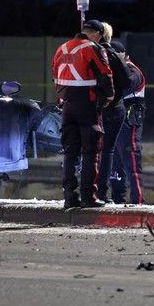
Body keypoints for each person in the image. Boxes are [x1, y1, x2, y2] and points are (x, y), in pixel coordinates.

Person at [52, 18, 114, 209]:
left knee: (70, 152)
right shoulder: (93, 48)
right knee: (91, 151)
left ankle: (69, 196)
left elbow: (55, 75)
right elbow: (106, 74)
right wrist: (107, 97)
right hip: (87, 105)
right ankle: (89, 196)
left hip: (67, 105)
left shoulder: (61, 48)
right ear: (96, 33)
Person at [96, 22, 136, 203]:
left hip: (91, 108)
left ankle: (88, 192)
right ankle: (101, 193)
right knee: (107, 152)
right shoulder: (112, 55)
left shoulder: (83, 51)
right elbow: (126, 81)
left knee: (91, 151)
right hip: (113, 109)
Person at [110, 40, 146, 204]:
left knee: (131, 161)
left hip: (129, 123)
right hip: (117, 121)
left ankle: (137, 201)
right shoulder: (118, 70)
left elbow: (127, 84)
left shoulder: (133, 70)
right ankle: (118, 199)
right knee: (115, 163)